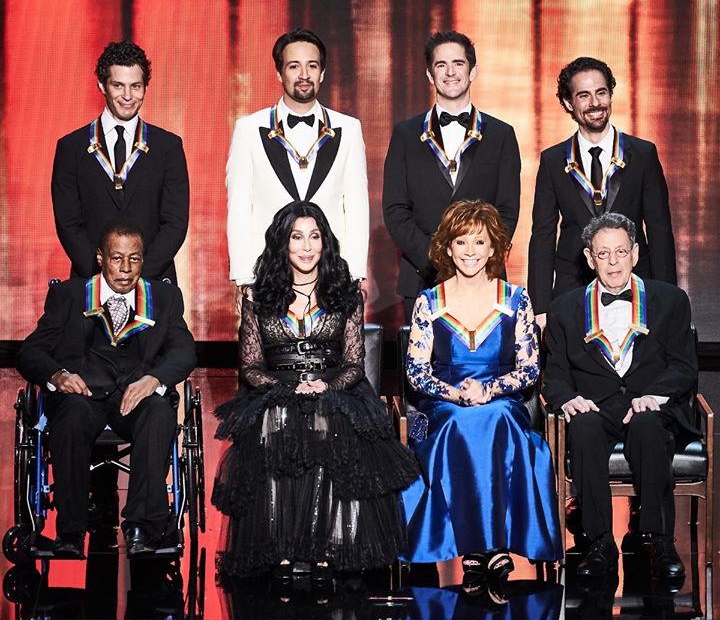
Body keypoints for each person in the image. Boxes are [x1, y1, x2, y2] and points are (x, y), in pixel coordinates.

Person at [212, 201, 418, 580]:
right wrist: (287, 387)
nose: (306, 247)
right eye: (297, 237)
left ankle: (327, 547)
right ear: (282, 243)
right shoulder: (257, 297)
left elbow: (354, 364)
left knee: (330, 418)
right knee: (278, 417)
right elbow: (251, 368)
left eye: (315, 237)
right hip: (277, 388)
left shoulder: (347, 294)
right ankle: (282, 546)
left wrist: (325, 384)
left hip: (335, 385)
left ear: (325, 242)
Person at [401, 200, 562, 594]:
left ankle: (488, 549)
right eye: (461, 241)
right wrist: (455, 393)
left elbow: (529, 369)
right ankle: (479, 550)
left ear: (494, 248)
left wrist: (489, 390)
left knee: (496, 417)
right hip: (443, 405)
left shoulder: (516, 299)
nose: (470, 251)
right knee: (461, 422)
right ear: (447, 247)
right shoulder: (429, 301)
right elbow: (416, 372)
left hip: (502, 400)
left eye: (479, 241)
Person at [16, 219, 196, 558]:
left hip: (134, 396)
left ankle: (142, 526)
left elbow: (183, 350)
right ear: (100, 257)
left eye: (134, 259)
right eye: (117, 258)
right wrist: (57, 375)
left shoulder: (164, 297)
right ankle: (71, 530)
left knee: (159, 411)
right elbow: (30, 351)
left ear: (143, 260)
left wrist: (154, 379)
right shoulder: (69, 295)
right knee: (70, 414)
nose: (126, 269)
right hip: (83, 396)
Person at [543, 212, 698, 580]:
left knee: (647, 426)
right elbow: (555, 374)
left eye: (620, 252)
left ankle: (660, 541)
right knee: (583, 428)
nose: (613, 263)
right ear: (589, 258)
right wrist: (568, 399)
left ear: (635, 254)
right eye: (603, 254)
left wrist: (655, 396)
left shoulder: (671, 300)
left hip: (651, 405)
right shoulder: (564, 307)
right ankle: (599, 543)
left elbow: (684, 367)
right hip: (596, 405)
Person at [528, 57, 676, 330]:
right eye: (584, 95)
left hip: (635, 283)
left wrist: (667, 298)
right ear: (568, 103)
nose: (595, 103)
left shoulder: (643, 154)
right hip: (572, 286)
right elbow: (543, 235)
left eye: (601, 92)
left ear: (610, 95)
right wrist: (541, 306)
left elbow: (659, 230)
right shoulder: (552, 160)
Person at [383, 30, 521, 321]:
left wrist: (478, 256)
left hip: (486, 278)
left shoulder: (501, 135)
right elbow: (395, 209)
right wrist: (436, 259)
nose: (450, 72)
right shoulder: (405, 134)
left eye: (458, 63)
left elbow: (508, 209)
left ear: (473, 71)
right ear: (429, 75)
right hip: (422, 276)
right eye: (441, 65)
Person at [226, 29, 369, 307]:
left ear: (322, 73)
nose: (304, 74)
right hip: (266, 275)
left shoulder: (349, 128)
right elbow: (239, 206)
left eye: (312, 66)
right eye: (294, 66)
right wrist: (244, 277)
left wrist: (353, 274)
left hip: (331, 274)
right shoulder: (249, 129)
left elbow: (356, 207)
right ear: (279, 73)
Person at [51, 41, 189, 284]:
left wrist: (136, 276)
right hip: (91, 283)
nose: (127, 96)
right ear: (101, 85)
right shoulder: (71, 148)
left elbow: (175, 223)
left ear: (145, 87)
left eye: (135, 86)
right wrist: (103, 277)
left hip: (153, 284)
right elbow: (68, 223)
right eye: (118, 85)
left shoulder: (168, 147)